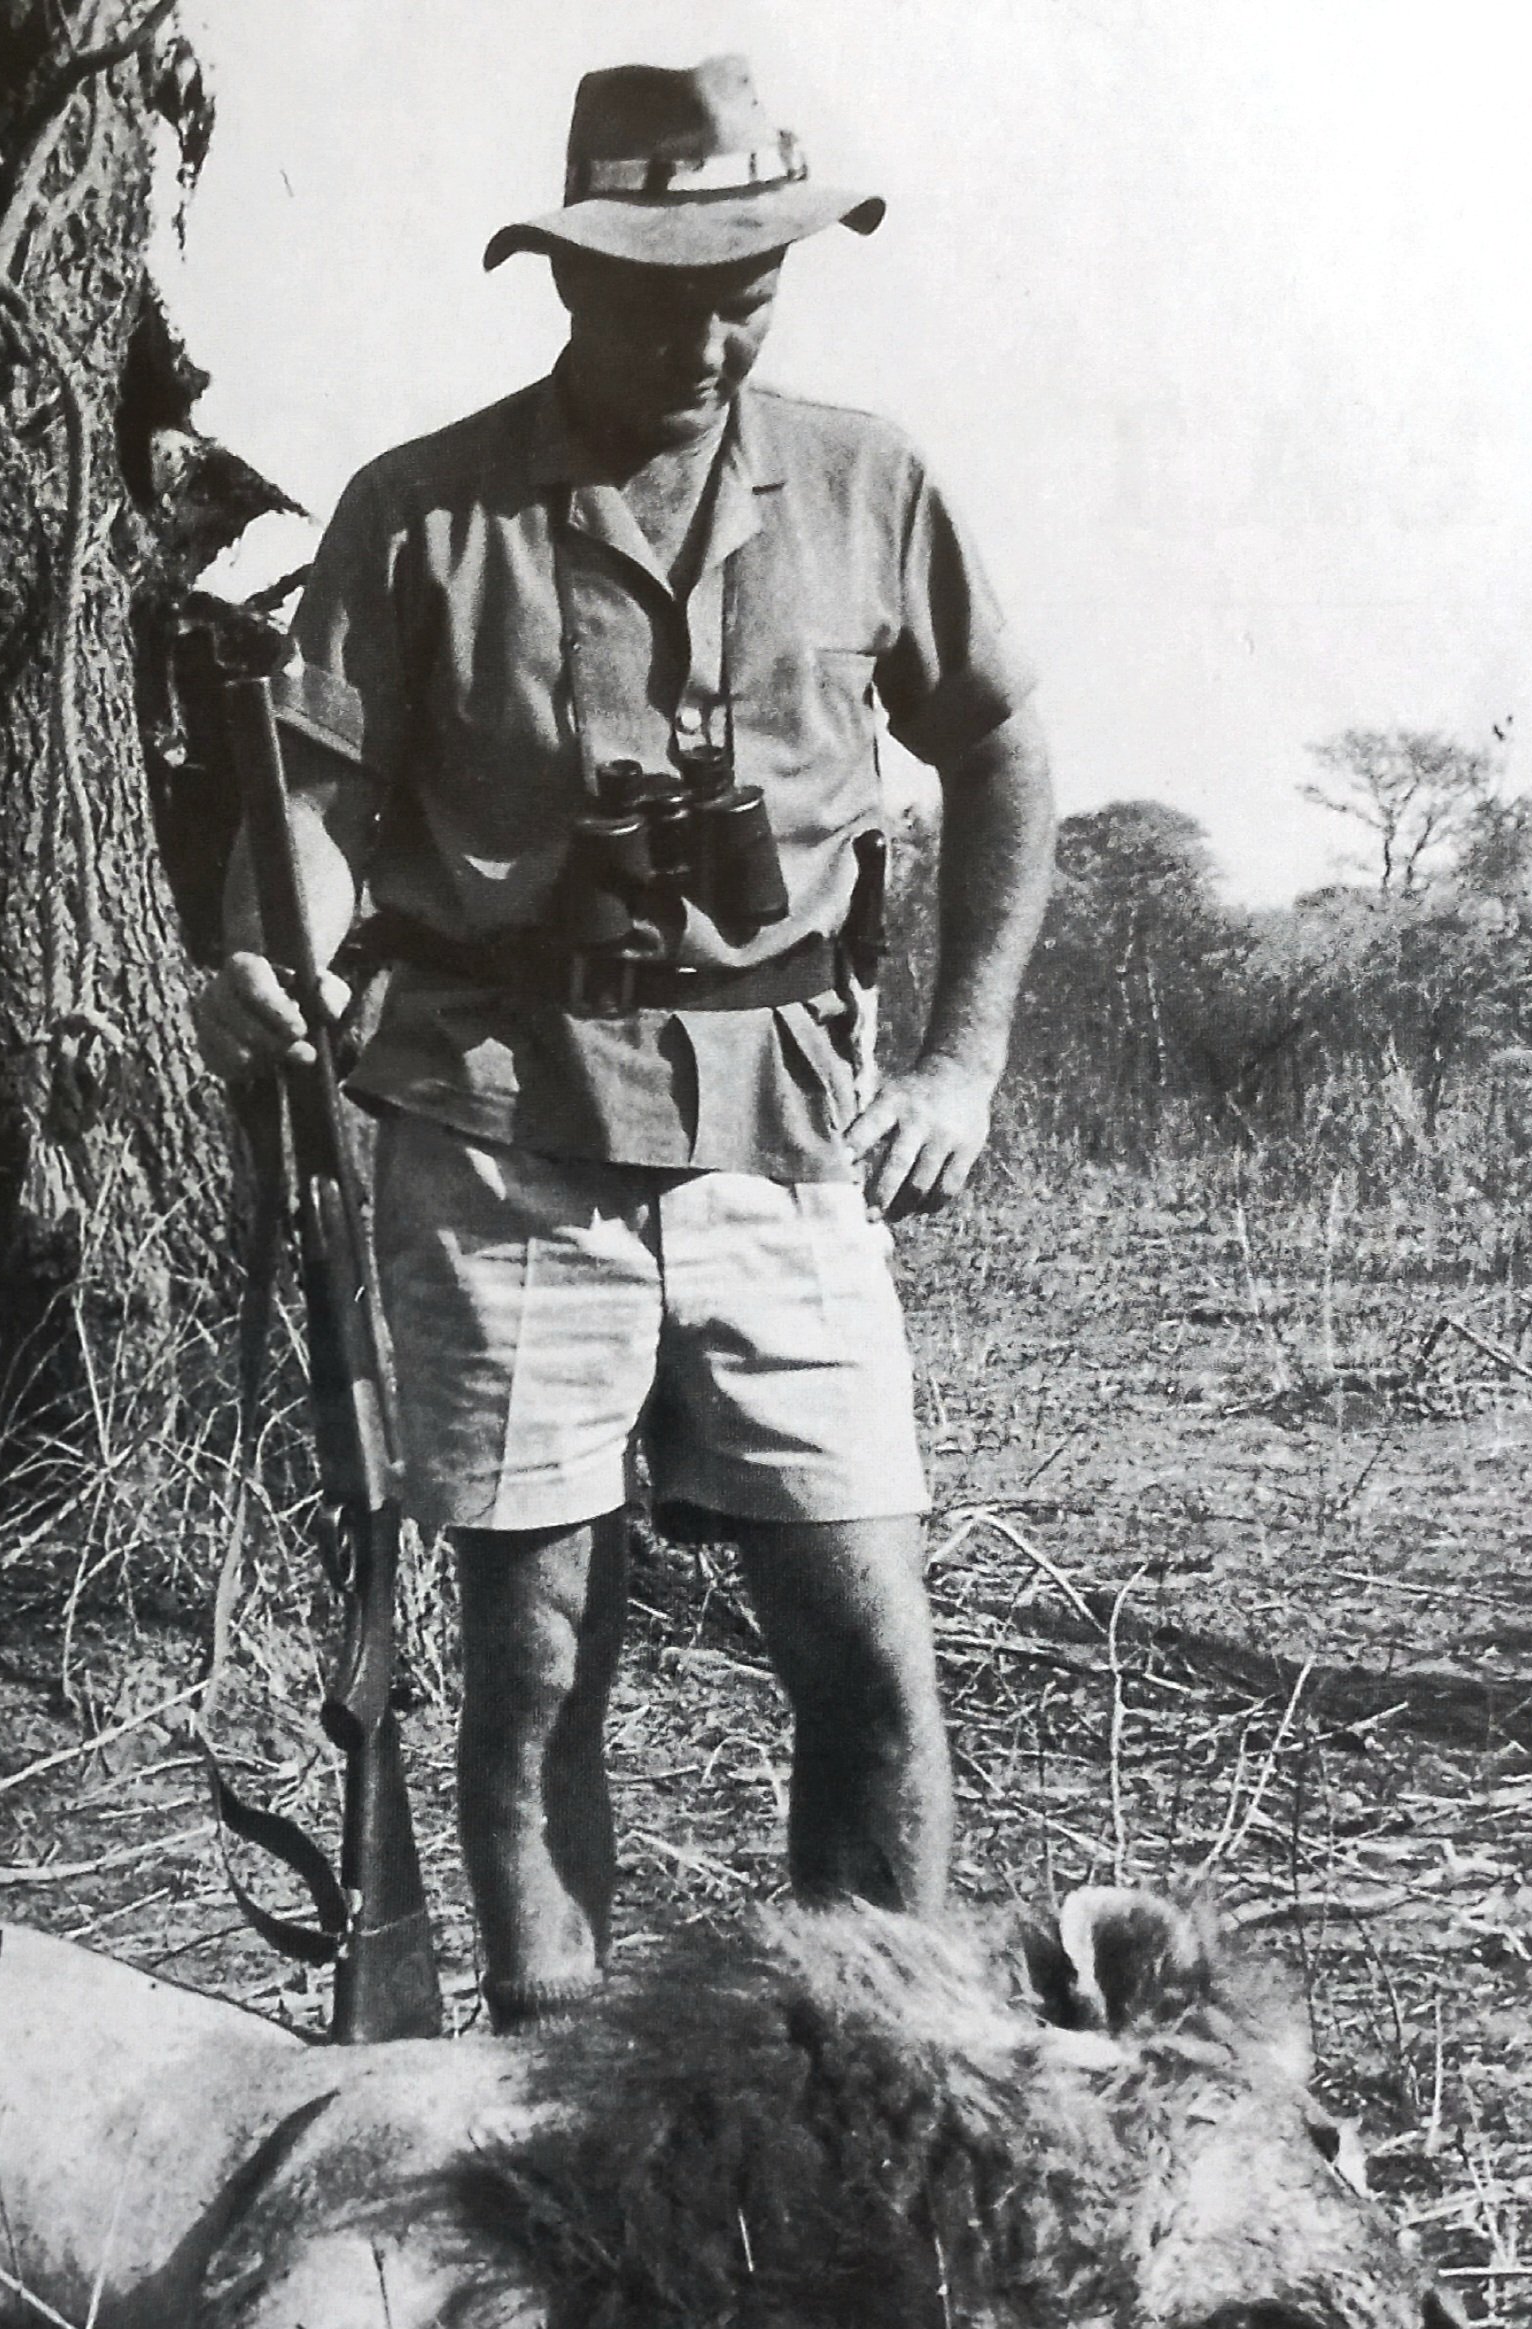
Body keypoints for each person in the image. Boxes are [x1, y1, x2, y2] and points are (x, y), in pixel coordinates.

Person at [193, 55, 1054, 2031]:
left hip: (789, 1139)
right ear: (569, 278)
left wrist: (967, 1060)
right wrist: (270, 958)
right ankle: (557, 2094)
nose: (709, 326)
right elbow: (313, 803)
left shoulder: (869, 481)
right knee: (537, 1650)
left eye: (746, 282)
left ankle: (865, 2074)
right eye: (662, 286)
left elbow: (1003, 736)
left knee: (870, 1647)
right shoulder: (423, 513)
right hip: (502, 1132)